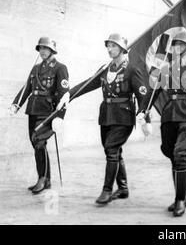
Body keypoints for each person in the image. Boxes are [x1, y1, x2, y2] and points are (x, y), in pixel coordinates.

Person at [59, 33, 147, 205]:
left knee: (111, 149)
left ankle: (107, 190)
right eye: (108, 46)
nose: (109, 49)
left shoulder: (131, 69)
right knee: (113, 151)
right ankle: (122, 188)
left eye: (113, 46)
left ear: (122, 48)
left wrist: (144, 114)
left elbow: (143, 94)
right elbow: (88, 84)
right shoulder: (105, 69)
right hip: (106, 115)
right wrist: (69, 95)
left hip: (123, 116)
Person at [137, 28, 186, 217]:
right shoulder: (168, 67)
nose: (177, 47)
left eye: (181, 44)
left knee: (180, 155)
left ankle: (180, 200)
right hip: (170, 115)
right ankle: (180, 195)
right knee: (173, 155)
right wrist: (143, 110)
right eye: (176, 44)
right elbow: (154, 90)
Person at [10, 37, 69, 194]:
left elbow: (64, 95)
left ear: (52, 50)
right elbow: (27, 89)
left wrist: (59, 116)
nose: (42, 51)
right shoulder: (35, 68)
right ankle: (46, 179)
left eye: (45, 48)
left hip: (47, 111)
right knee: (36, 143)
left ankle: (42, 179)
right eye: (41, 48)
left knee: (39, 142)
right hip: (33, 109)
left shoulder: (60, 68)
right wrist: (16, 105)